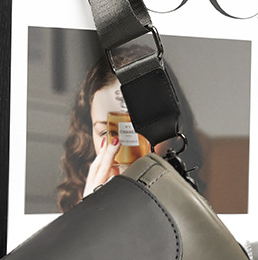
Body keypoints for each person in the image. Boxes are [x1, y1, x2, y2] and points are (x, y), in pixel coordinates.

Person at [56, 49, 203, 213]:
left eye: (144, 128)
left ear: (176, 130)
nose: (128, 156)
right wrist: (89, 216)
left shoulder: (205, 203)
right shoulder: (76, 205)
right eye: (107, 132)